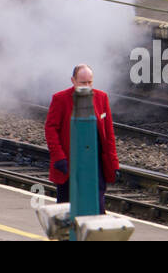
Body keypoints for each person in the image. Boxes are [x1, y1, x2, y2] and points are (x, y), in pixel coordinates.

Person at [43, 64, 119, 211]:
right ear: (73, 80)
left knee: (97, 208)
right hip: (69, 165)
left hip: (94, 165)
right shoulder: (60, 99)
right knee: (67, 210)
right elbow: (51, 129)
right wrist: (59, 157)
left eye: (89, 82)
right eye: (83, 83)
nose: (87, 86)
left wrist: (113, 163)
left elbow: (109, 134)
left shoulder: (101, 98)